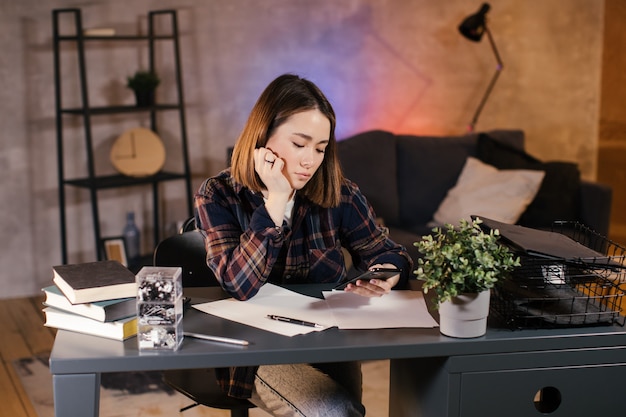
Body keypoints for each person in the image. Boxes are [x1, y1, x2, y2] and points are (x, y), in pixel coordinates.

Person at [194, 73, 412, 417]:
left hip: (328, 341)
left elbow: (387, 253)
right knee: (336, 412)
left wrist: (384, 274)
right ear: (263, 138)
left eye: (320, 148)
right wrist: (276, 200)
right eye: (299, 144)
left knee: (346, 411)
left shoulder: (341, 193)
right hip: (256, 351)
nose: (310, 160)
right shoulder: (219, 194)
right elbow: (238, 283)